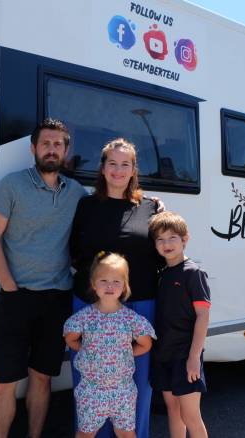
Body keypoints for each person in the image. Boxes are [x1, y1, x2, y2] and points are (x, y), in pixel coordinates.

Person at [0, 118, 87, 438]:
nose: (52, 149)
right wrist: (10, 288)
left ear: (66, 150)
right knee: (4, 382)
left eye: (58, 144)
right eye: (46, 144)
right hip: (16, 297)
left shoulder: (77, 194)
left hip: (57, 300)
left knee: (42, 377)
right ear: (33, 148)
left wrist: (152, 203)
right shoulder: (11, 185)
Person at [70, 138, 162, 438]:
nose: (118, 170)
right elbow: (74, 251)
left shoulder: (150, 207)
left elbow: (167, 246)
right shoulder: (86, 206)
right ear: (103, 168)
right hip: (91, 304)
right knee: (90, 379)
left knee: (138, 380)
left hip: (140, 303)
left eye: (126, 164)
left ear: (134, 169)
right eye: (112, 163)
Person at [64, 252, 156, 438]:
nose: (109, 286)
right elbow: (70, 338)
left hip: (122, 391)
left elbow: (145, 344)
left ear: (124, 286)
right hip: (91, 391)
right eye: (103, 280)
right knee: (85, 434)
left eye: (116, 281)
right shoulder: (84, 317)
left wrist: (125, 353)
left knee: (126, 433)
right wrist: (86, 351)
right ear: (93, 285)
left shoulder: (131, 319)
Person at [148, 212, 210, 438]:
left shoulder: (193, 273)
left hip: (185, 355)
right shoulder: (162, 274)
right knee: (173, 410)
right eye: (160, 239)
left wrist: (194, 358)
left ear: (185, 239)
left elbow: (203, 316)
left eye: (172, 238)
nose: (166, 244)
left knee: (190, 416)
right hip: (163, 354)